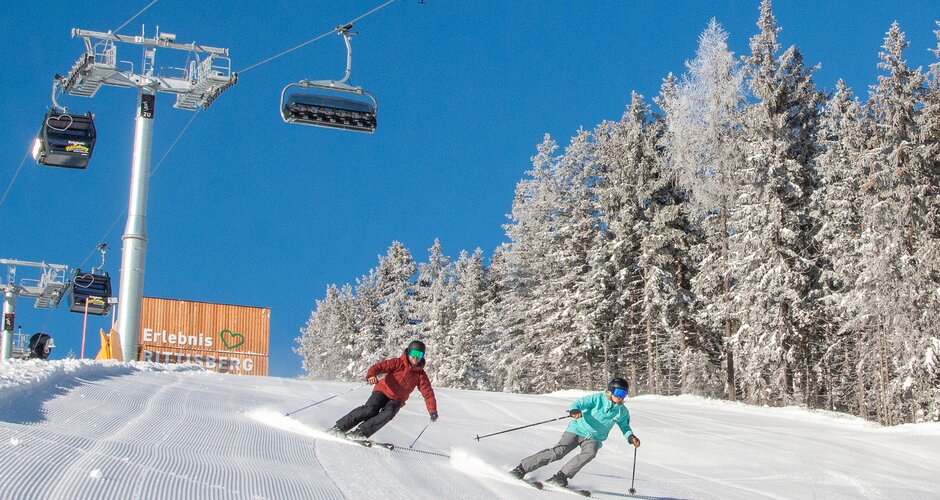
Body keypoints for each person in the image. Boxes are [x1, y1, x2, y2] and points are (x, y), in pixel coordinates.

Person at [509, 377, 641, 487]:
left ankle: (561, 476)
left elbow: (625, 427)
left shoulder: (622, 411)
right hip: (577, 429)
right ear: (610, 391)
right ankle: (522, 468)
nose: (620, 397)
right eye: (618, 392)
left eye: (623, 394)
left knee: (590, 453)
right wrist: (574, 410)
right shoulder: (598, 399)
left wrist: (630, 437)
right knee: (559, 452)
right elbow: (579, 403)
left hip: (594, 437)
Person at [328, 340, 438, 440]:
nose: (415, 357)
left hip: (397, 400)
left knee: (388, 413)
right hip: (383, 390)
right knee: (370, 410)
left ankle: (360, 432)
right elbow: (379, 367)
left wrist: (432, 411)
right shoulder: (398, 363)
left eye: (419, 355)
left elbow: (428, 394)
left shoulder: (420, 375)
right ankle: (339, 428)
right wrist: (371, 375)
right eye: (414, 353)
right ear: (408, 352)